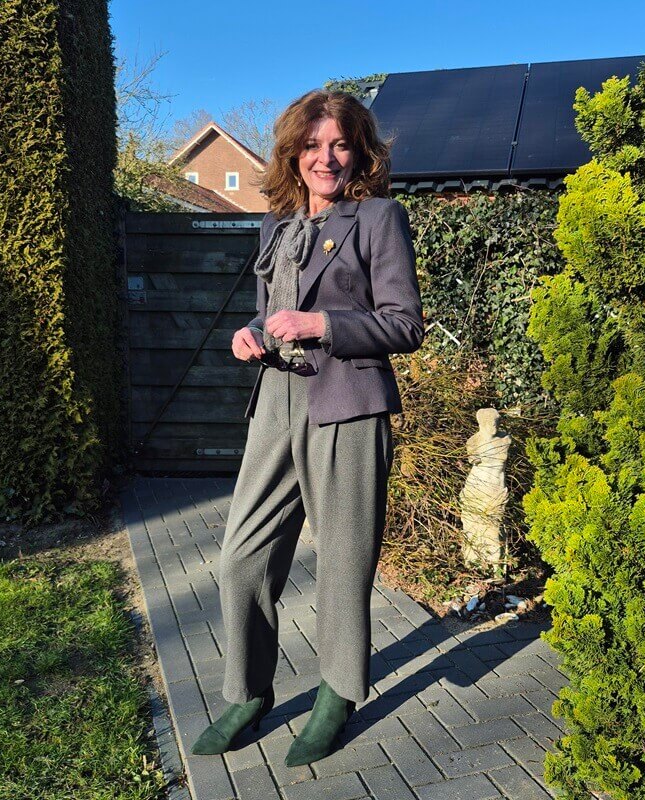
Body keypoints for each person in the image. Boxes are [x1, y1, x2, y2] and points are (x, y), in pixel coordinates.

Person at [190, 89, 424, 766]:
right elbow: (274, 312)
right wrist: (252, 333)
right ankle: (247, 692)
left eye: (341, 144)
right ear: (293, 153)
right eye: (313, 145)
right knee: (241, 554)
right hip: (277, 400)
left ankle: (337, 694)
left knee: (343, 563)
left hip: (347, 403)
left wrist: (322, 325)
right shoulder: (275, 225)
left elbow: (404, 324)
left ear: (360, 153)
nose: (327, 158)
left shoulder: (379, 219)